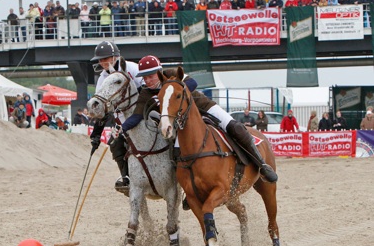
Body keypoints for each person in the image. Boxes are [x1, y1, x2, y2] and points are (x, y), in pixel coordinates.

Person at [119, 55, 278, 184]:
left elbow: (192, 82)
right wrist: (121, 128)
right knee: (176, 152)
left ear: (159, 72)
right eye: (144, 78)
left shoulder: (171, 74)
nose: (147, 81)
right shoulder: (146, 93)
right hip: (183, 122)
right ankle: (189, 188)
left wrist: (177, 91)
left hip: (204, 108)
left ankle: (262, 164)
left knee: (235, 127)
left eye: (151, 76)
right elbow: (137, 116)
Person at [89, 41, 144, 192]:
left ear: (115, 57)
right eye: (100, 59)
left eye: (105, 58)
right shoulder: (102, 78)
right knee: (114, 142)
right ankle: (126, 177)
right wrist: (96, 133)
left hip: (142, 110)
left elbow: (146, 90)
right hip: (121, 117)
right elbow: (102, 106)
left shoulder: (133, 68)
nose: (102, 62)